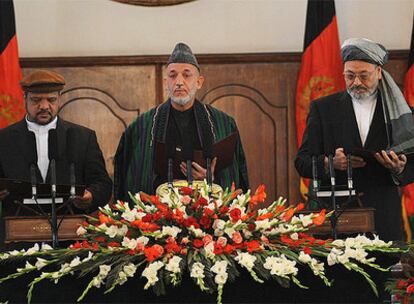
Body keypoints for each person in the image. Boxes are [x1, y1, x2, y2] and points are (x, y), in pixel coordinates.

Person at [295, 38, 414, 241]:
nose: (356, 82)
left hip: (383, 218)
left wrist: (399, 168)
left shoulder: (401, 113)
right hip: (338, 220)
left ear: (378, 73)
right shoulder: (323, 109)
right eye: (350, 76)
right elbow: (302, 162)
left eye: (363, 75)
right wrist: (330, 163)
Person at [114, 42, 249, 200]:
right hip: (156, 218)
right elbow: (127, 180)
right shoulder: (142, 126)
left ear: (198, 82)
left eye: (186, 75)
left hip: (209, 219)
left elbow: (237, 178)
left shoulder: (224, 124)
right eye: (172, 75)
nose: (179, 81)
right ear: (166, 83)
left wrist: (210, 180)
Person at [0, 70, 112, 218]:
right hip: (17, 232)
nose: (44, 106)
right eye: (36, 100)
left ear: (59, 98)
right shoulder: (4, 138)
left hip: (70, 231)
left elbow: (102, 183)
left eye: (51, 100)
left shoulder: (83, 137)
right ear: (24, 98)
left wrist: (90, 196)